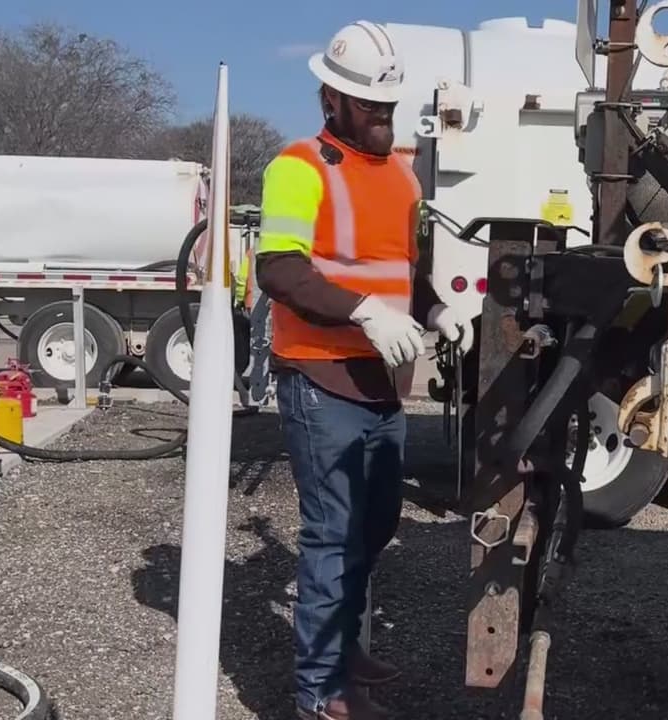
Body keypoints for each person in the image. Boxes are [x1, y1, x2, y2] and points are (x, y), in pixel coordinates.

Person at [254, 21, 474, 720]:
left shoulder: (401, 174)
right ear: (332, 100)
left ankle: (344, 650)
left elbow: (407, 273)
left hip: (379, 383)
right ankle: (319, 695)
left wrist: (437, 310)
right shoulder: (298, 167)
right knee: (332, 535)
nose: (383, 118)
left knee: (375, 526)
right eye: (369, 107)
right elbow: (281, 269)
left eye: (388, 106)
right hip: (321, 378)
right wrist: (362, 313)